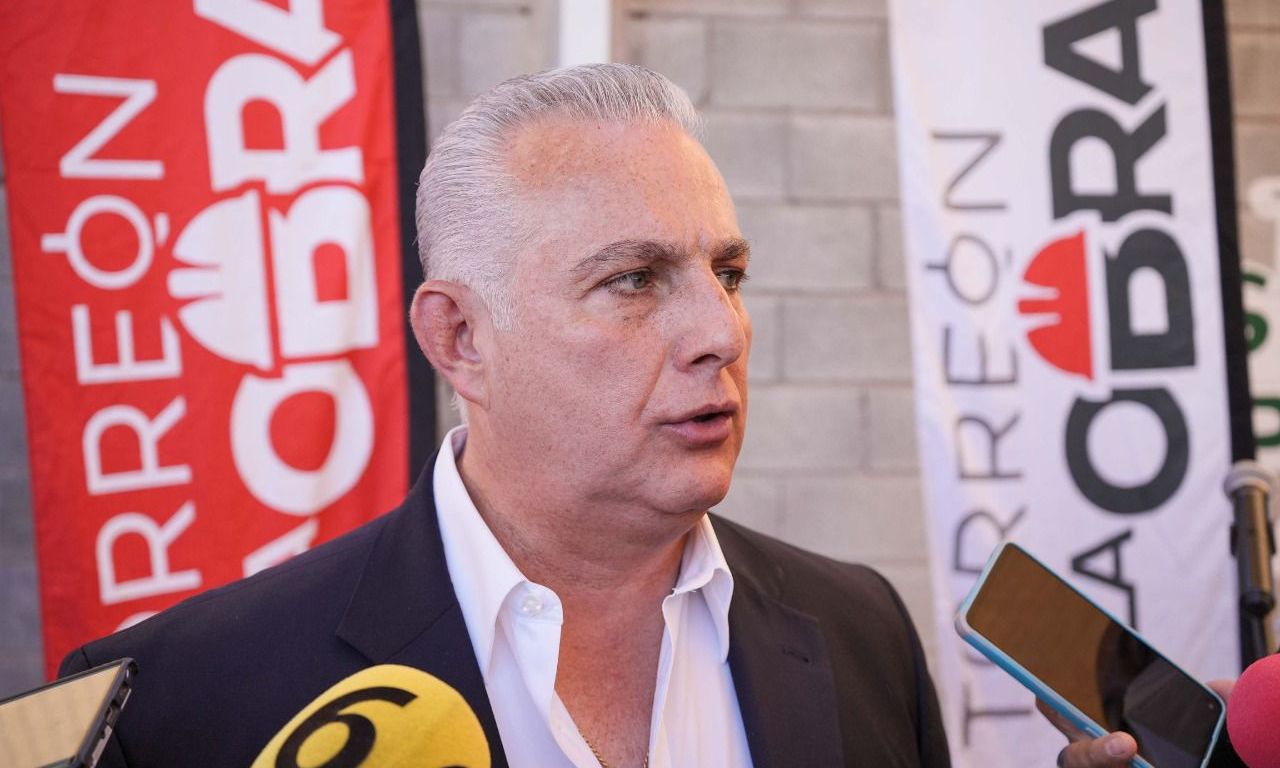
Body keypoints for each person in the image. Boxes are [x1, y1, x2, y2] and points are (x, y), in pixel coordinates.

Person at [60, 63, 1136, 767]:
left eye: (727, 272)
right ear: (459, 339)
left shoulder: (861, 630)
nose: (720, 331)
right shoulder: (176, 699)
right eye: (632, 280)